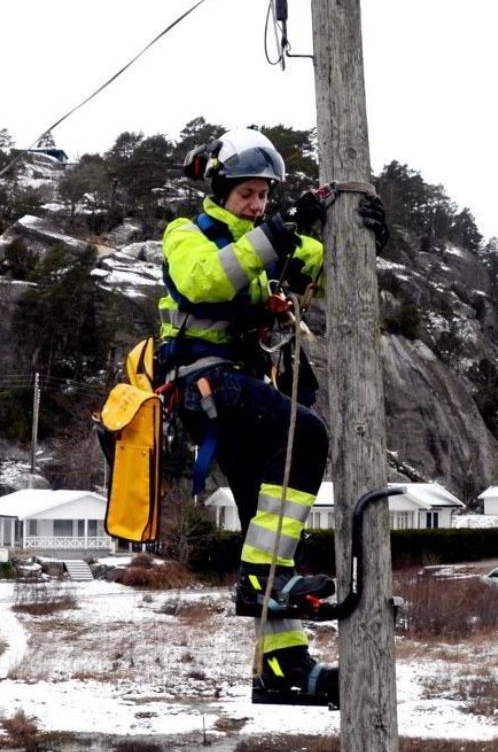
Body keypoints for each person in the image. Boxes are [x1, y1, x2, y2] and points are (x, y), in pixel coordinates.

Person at [157, 126, 387, 706]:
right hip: (204, 383)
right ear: (220, 191)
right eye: (246, 196)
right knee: (307, 435)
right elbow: (203, 281)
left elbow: (333, 262)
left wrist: (366, 237)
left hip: (238, 387)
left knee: (271, 526)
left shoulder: (269, 240)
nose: (257, 205)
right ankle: (261, 580)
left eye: (264, 196)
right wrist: (279, 231)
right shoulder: (188, 234)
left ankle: (282, 669)